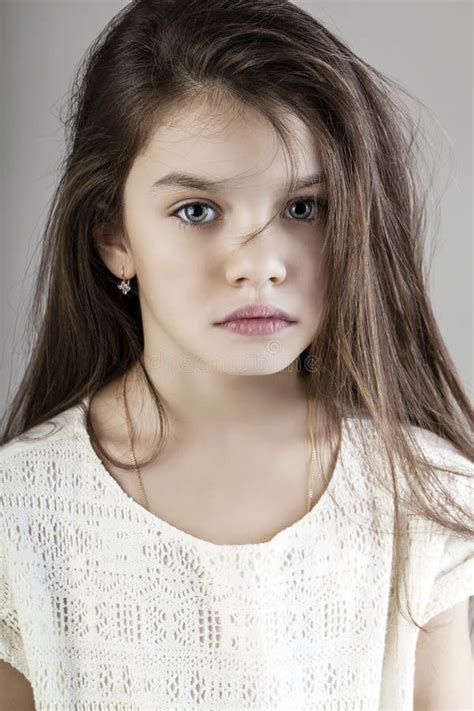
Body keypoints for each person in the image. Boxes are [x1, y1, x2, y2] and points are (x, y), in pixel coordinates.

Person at [0, 0, 472, 708]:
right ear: (113, 237)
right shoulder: (21, 515)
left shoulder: (423, 496)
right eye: (197, 210)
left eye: (304, 208)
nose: (260, 267)